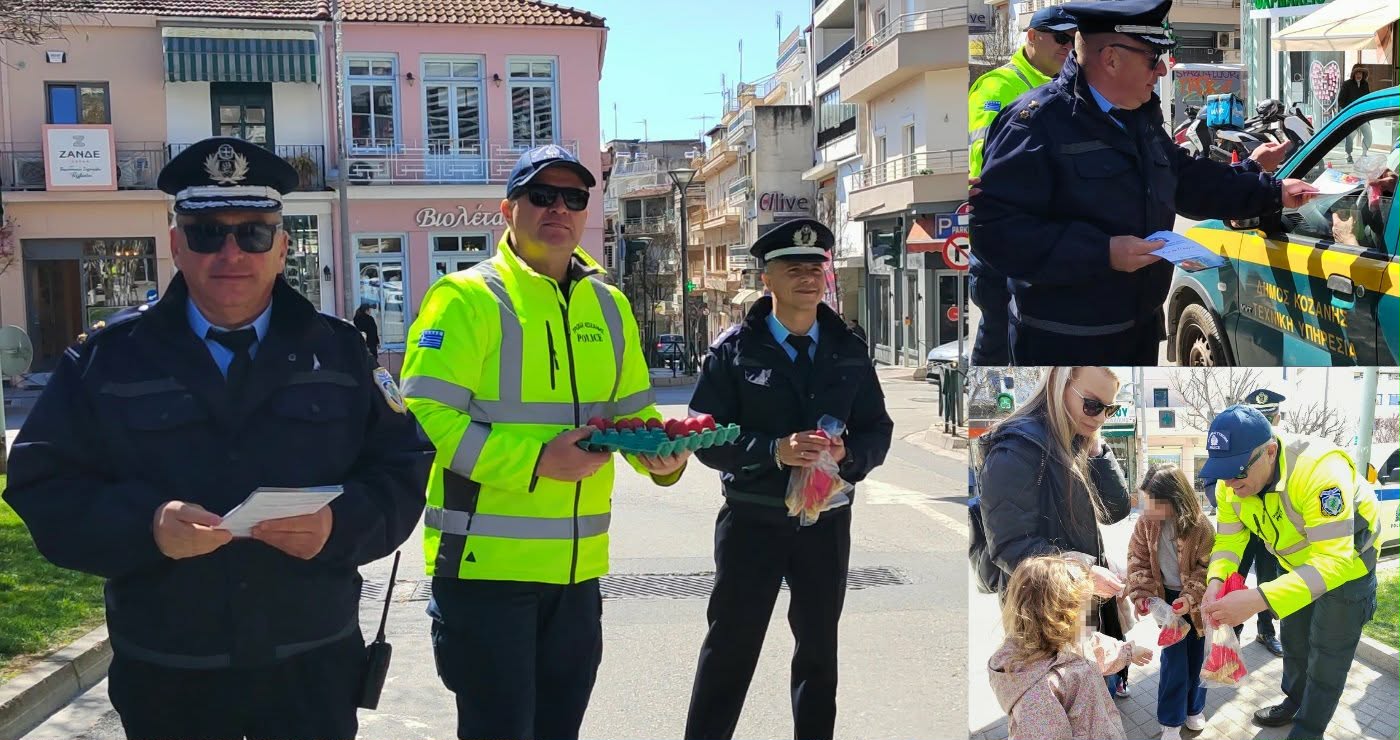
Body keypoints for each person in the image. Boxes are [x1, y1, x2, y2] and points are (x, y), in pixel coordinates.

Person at [2, 137, 430, 740]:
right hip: (171, 674)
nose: (231, 251)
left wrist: (341, 525)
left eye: (254, 233)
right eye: (207, 232)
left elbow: (403, 465)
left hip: (309, 666)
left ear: (283, 247)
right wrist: (144, 526)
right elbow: (42, 483)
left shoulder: (338, 352)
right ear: (176, 244)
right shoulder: (107, 359)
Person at [400, 144, 691, 740]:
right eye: (541, 195)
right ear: (508, 210)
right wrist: (536, 462)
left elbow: (635, 414)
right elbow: (425, 415)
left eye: (573, 197)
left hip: (577, 575)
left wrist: (663, 458)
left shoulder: (609, 306)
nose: (558, 207)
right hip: (485, 574)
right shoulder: (465, 298)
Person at [969, 0, 1319, 364]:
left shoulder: (1139, 115)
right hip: (1063, 341)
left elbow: (1184, 178)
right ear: (1111, 59)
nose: (1164, 70)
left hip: (1137, 331)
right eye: (1153, 58)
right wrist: (1102, 253)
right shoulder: (1034, 123)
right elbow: (996, 232)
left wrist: (1272, 191)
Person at [683, 218, 893, 740]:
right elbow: (704, 437)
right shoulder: (734, 349)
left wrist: (849, 456)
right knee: (730, 647)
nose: (807, 277)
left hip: (825, 522)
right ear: (767, 279)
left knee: (819, 652)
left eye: (815, 267)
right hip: (753, 517)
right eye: (792, 268)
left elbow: (878, 430)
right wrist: (773, 450)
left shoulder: (847, 347)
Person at [1199, 405, 1381, 739]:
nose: (1227, 482)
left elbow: (1334, 562)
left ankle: (1308, 731)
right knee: (1295, 642)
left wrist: (1259, 599)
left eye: (1236, 471)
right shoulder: (1232, 483)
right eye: (1221, 471)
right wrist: (1216, 581)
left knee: (1328, 655)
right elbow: (1229, 538)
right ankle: (1294, 701)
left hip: (1349, 569)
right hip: (1295, 566)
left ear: (1269, 452)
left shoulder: (1319, 472)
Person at [976, 366, 1135, 697]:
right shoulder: (1015, 448)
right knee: (1060, 707)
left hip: (1079, 602)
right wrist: (1085, 572)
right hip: (1041, 613)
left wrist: (1096, 447)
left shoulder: (1076, 437)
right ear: (1059, 384)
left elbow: (1116, 509)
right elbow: (1010, 547)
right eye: (1092, 405)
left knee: (1092, 699)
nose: (1100, 417)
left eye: (1110, 409)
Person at [967, 7, 1077, 366]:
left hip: (1047, 237)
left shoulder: (1069, 88)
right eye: (1060, 38)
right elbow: (986, 160)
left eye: (1072, 39)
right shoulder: (999, 86)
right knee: (999, 339)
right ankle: (985, 416)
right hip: (1006, 237)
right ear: (1031, 37)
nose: (1067, 46)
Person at [988, 554, 1152, 740]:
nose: (1091, 615)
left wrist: (1128, 652)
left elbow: (1096, 647)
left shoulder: (1072, 640)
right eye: (1085, 608)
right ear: (1057, 618)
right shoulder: (1039, 692)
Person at [1126, 464, 1214, 740]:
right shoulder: (1145, 524)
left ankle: (1194, 709)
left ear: (1175, 501)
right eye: (1145, 502)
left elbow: (1207, 568)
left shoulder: (1200, 527)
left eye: (1154, 504)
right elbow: (1136, 559)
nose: (1147, 509)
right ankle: (1171, 721)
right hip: (1166, 601)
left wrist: (1190, 598)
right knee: (1174, 661)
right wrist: (1141, 594)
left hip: (1198, 604)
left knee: (1199, 659)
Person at [1236, 388, 1286, 657]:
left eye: (1269, 417)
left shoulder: (1284, 451)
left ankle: (1266, 630)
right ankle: (1231, 632)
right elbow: (1214, 482)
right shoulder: (1236, 441)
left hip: (1271, 533)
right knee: (1236, 577)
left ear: (1277, 418)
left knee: (1267, 580)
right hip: (1242, 528)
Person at [1339, 65, 1372, 162]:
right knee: (1350, 136)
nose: (1359, 75)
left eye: (1361, 73)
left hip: (1363, 116)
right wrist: (1348, 112)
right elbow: (1341, 101)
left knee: (1368, 134)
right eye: (1357, 73)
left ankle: (1364, 154)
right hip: (1351, 116)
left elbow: (1368, 99)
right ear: (1354, 74)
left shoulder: (1365, 84)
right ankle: (1348, 154)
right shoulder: (1347, 84)